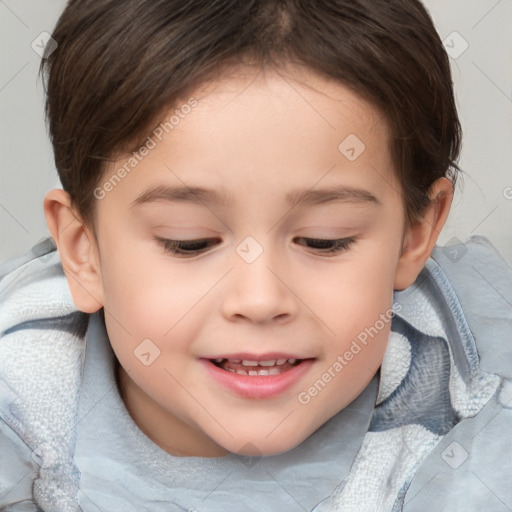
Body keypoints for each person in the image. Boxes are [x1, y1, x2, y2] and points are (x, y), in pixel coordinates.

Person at [1, 1, 511, 510]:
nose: (260, 299)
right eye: (189, 242)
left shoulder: (482, 402)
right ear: (83, 250)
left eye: (324, 240)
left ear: (414, 234)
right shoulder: (20, 397)